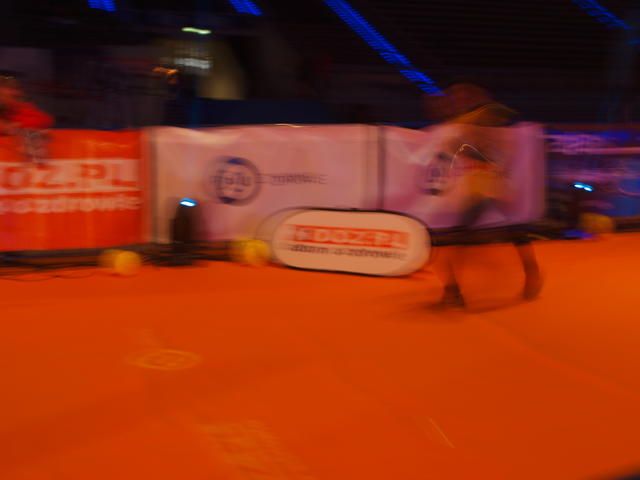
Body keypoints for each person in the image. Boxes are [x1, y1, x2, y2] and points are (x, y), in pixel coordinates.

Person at [429, 82, 542, 307]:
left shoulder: (478, 120)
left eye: (460, 99)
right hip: (482, 186)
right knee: (510, 231)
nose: (455, 103)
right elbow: (461, 149)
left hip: (487, 186)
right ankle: (454, 289)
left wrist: (461, 132)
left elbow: (475, 150)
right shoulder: (470, 123)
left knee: (469, 236)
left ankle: (453, 290)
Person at [0, 75, 54, 162]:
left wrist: (17, 125)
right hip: (7, 158)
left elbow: (44, 119)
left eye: (10, 89)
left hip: (14, 159)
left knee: (33, 134)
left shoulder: (19, 106)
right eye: (3, 91)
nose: (6, 93)